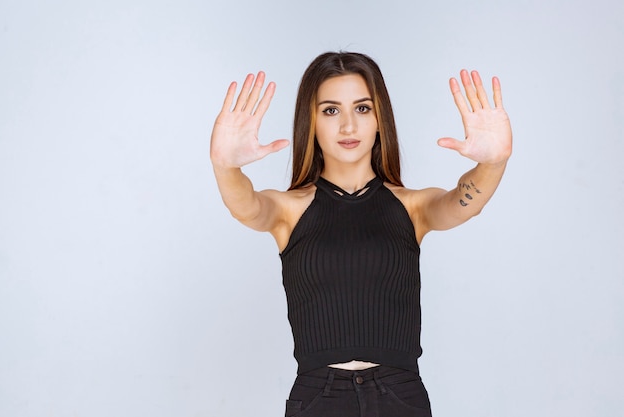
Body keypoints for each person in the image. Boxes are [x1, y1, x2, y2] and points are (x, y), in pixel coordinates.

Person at [210, 51, 512, 417]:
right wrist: (225, 168)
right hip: (318, 400)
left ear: (380, 118)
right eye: (331, 110)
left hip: (400, 398)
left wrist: (493, 163)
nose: (349, 126)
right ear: (312, 121)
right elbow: (247, 207)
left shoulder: (413, 206)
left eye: (363, 109)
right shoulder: (289, 210)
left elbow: (463, 203)